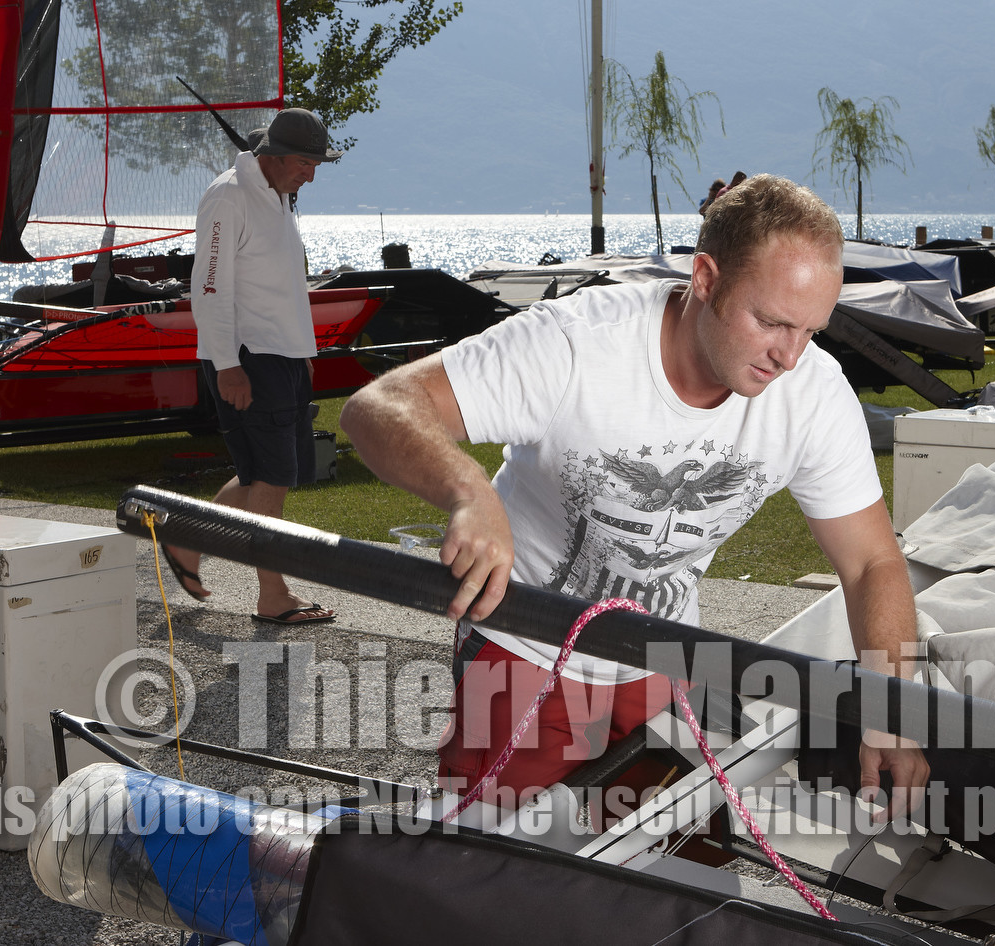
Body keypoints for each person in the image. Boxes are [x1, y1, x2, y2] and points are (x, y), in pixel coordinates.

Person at [341, 173, 929, 818]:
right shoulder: (576, 345)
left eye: (811, 331)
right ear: (705, 278)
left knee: (678, 860)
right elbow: (379, 406)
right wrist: (469, 490)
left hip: (663, 655)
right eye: (770, 322)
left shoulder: (813, 392)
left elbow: (871, 562)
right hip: (527, 648)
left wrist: (891, 709)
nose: (789, 356)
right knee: (502, 857)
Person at [160, 108, 341, 625]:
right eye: (306, 163)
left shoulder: (277, 192)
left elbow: (281, 283)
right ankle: (272, 595)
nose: (312, 175)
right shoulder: (229, 196)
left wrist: (302, 353)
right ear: (276, 157)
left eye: (316, 165)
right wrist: (226, 364)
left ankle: (185, 539)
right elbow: (209, 287)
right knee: (271, 480)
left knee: (261, 475)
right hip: (248, 357)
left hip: (280, 356)